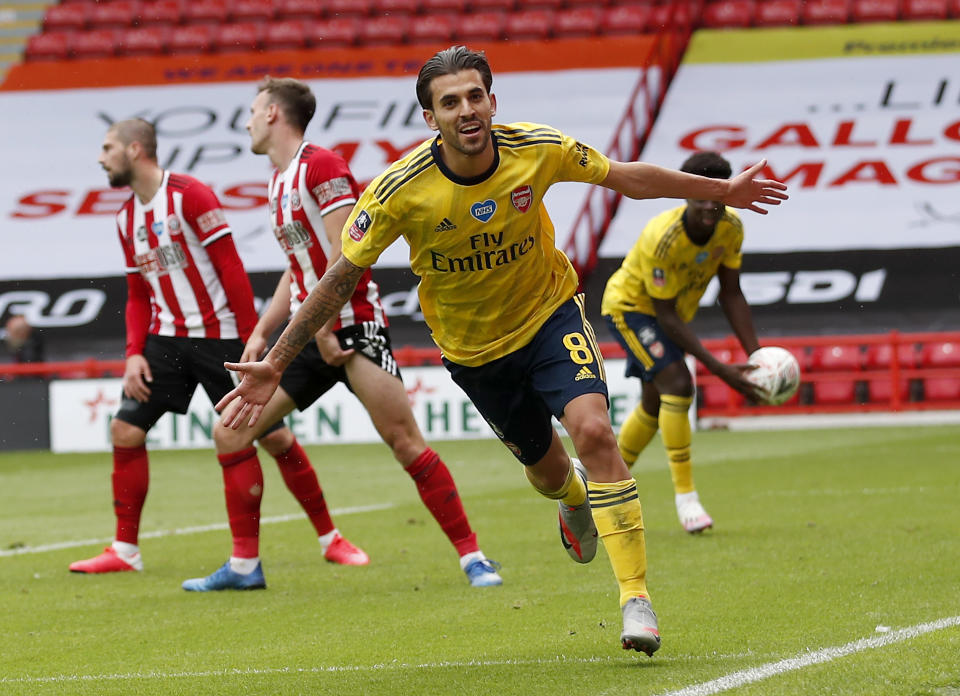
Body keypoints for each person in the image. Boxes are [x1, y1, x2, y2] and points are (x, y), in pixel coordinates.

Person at [214, 47, 787, 654]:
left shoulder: (536, 147)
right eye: (450, 102)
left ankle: (636, 599)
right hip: (475, 351)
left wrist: (722, 189)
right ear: (430, 118)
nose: (467, 110)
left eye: (475, 96)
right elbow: (337, 278)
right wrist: (276, 360)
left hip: (549, 316)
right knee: (547, 475)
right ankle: (573, 503)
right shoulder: (397, 191)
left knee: (594, 433)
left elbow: (626, 176)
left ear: (492, 100)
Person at [183, 76, 502, 591]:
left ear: (271, 114)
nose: (245, 120)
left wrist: (328, 328)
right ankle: (244, 566)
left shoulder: (323, 166)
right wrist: (265, 331)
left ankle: (473, 558)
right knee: (231, 430)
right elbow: (298, 268)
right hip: (310, 335)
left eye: (251, 109)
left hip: (353, 328)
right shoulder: (278, 180)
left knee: (404, 442)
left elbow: (343, 252)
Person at [70, 118, 367, 584]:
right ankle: (125, 549)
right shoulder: (125, 217)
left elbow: (230, 267)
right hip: (165, 342)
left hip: (220, 339)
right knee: (125, 431)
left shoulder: (190, 194)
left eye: (107, 147)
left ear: (134, 149)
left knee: (274, 438)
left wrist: (254, 339)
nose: (100, 157)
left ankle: (330, 539)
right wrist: (133, 352)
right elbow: (136, 293)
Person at [601, 151, 766, 535]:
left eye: (717, 196)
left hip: (668, 316)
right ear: (686, 194)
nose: (709, 205)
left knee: (654, 401)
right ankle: (687, 499)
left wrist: (757, 355)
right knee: (678, 383)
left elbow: (731, 294)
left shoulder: (732, 229)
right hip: (631, 309)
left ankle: (603, 479)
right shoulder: (664, 238)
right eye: (700, 195)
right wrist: (719, 368)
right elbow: (665, 314)